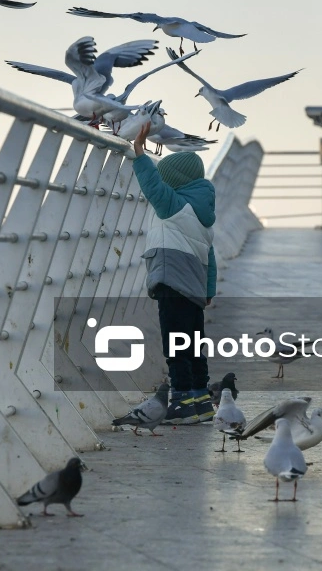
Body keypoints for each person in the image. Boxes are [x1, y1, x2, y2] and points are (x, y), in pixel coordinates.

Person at [131, 122, 218, 425]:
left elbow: (153, 188)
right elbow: (211, 258)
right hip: (192, 289)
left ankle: (182, 404)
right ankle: (201, 401)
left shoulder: (176, 206)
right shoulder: (201, 216)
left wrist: (140, 153)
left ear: (176, 182)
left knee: (176, 346)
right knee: (193, 344)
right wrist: (208, 291)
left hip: (172, 283)